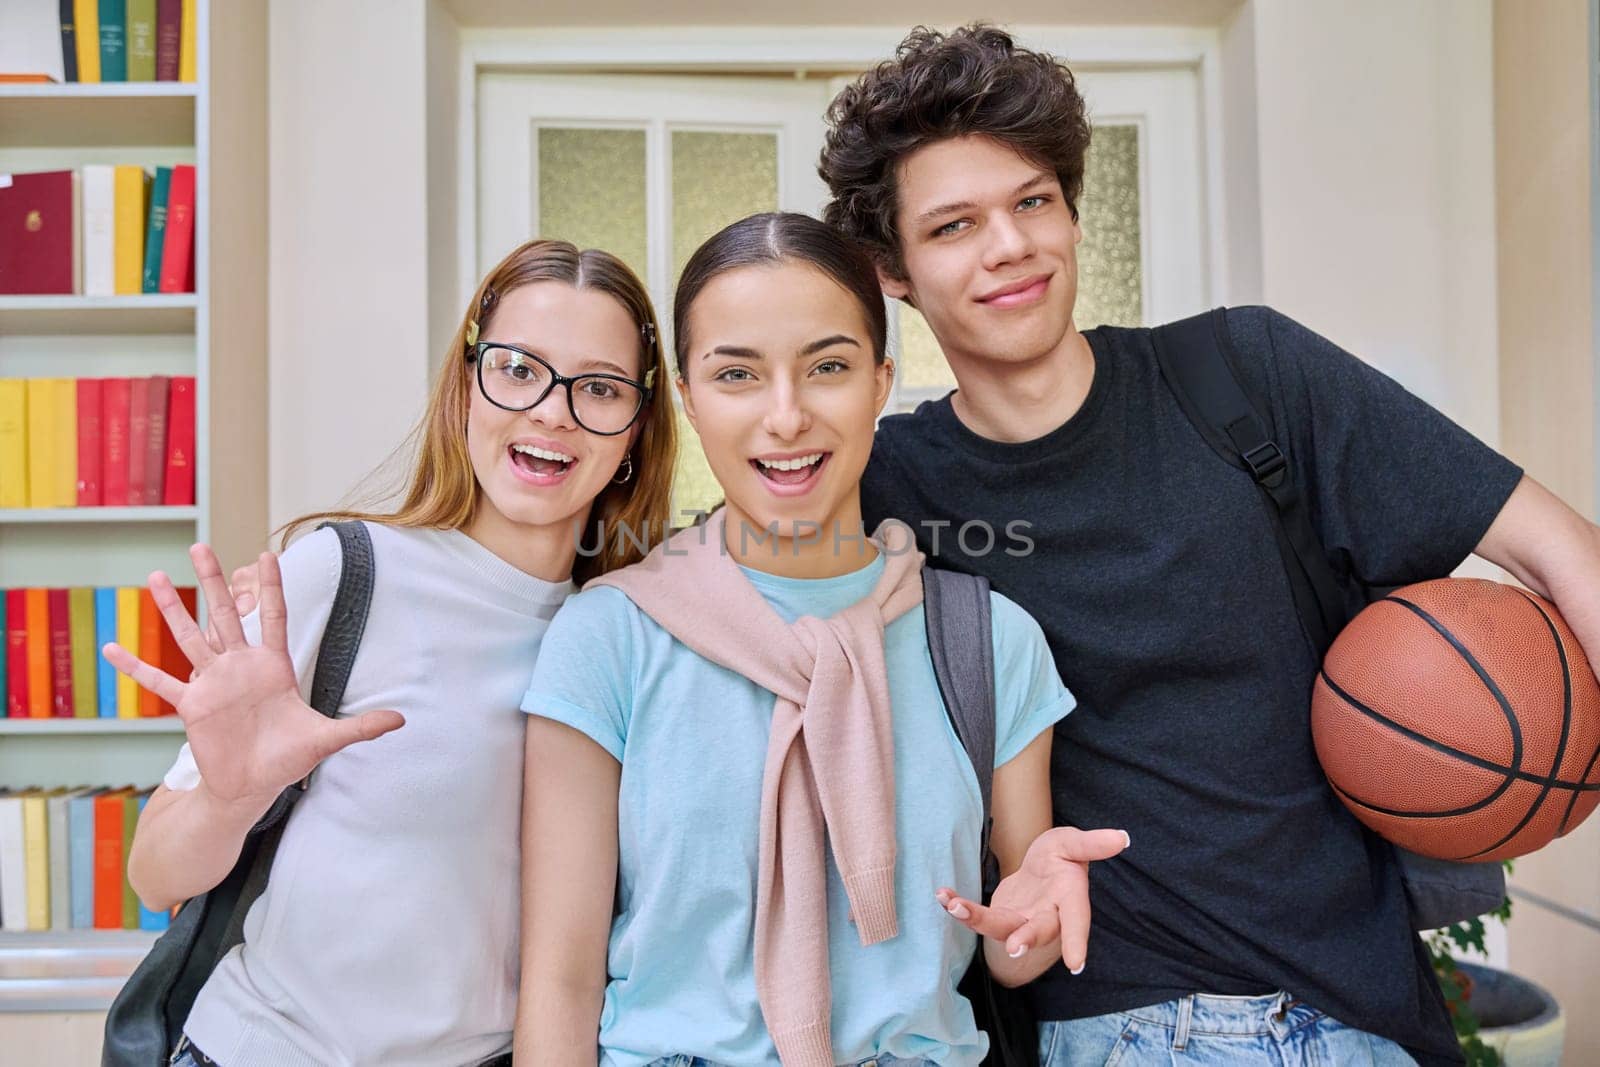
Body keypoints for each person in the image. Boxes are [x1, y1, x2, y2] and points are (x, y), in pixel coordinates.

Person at [819, 23, 1600, 1067]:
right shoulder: (890, 484)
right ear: (893, 270)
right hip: (1129, 1022)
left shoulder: (1243, 377)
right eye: (955, 224)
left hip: (1375, 1016)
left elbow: (1559, 548)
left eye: (1032, 202)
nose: (1008, 245)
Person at [515, 211, 1127, 1066]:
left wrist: (1035, 907)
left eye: (828, 367)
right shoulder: (612, 635)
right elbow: (560, 980)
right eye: (737, 374)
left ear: (882, 380)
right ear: (688, 398)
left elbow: (1006, 952)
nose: (786, 415)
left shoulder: (990, 641)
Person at [106, 239, 677, 1067]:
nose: (552, 411)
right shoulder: (343, 572)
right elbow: (154, 876)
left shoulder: (635, 632)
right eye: (519, 369)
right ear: (468, 385)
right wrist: (230, 797)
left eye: (598, 387)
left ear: (634, 429)